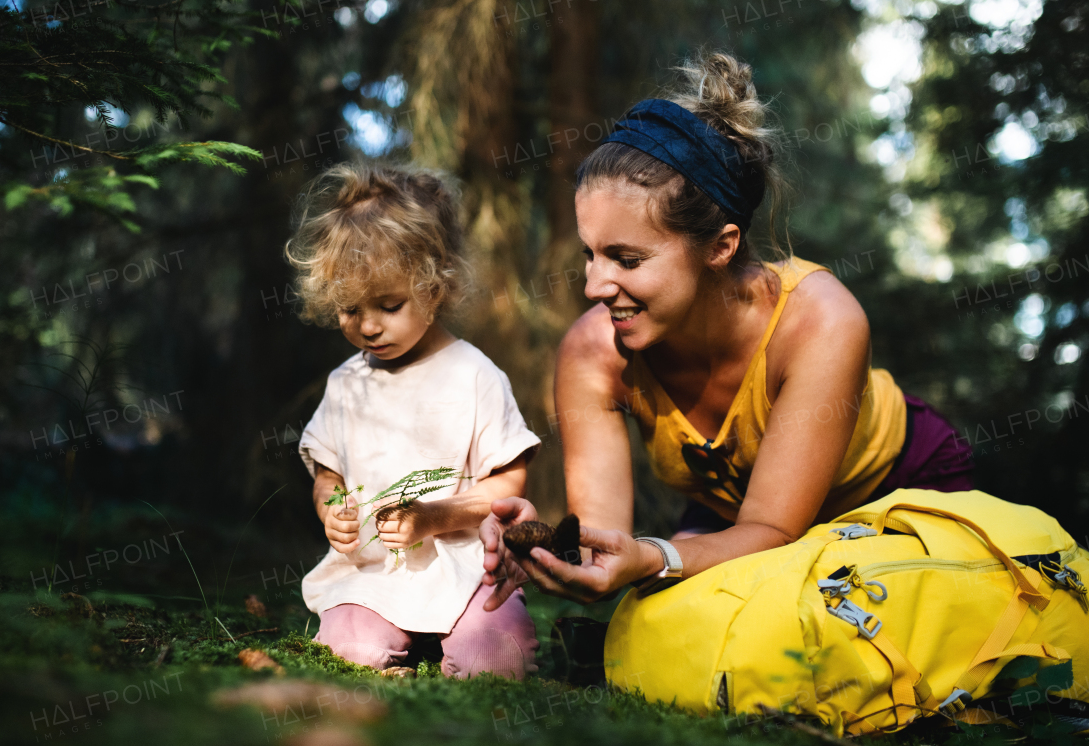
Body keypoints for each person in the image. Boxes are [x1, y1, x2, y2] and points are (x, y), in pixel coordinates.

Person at [480, 52, 974, 609]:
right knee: (668, 618)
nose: (594, 285)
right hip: (738, 518)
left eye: (626, 259)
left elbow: (774, 531)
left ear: (721, 246)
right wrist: (547, 547)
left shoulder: (821, 321)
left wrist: (659, 555)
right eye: (590, 255)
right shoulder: (593, 353)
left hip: (897, 488)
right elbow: (606, 550)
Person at [286, 161, 541, 678]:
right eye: (350, 309)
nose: (369, 326)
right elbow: (327, 472)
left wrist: (432, 518)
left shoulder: (474, 375)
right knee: (346, 648)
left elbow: (508, 482)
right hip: (375, 572)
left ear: (436, 285)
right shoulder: (346, 383)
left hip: (465, 566)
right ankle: (391, 643)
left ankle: (459, 641)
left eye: (389, 304)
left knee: (496, 656)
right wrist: (329, 508)